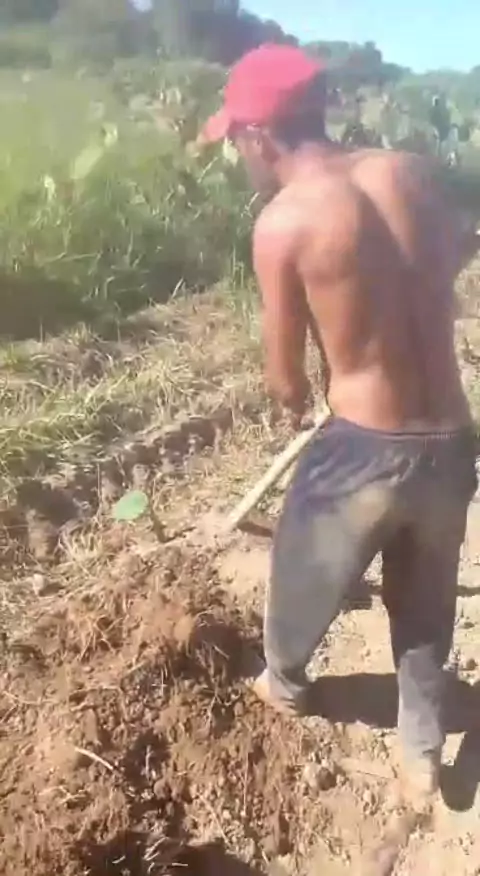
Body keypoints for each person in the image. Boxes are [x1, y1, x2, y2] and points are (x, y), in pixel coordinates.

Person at [200, 43, 479, 804]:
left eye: (236, 139)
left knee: (304, 564)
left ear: (259, 135)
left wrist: (296, 400)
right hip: (453, 440)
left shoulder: (283, 222)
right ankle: (421, 747)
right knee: (425, 598)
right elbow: (458, 246)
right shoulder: (410, 173)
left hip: (364, 446)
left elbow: (284, 374)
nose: (238, 155)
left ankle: (285, 682)